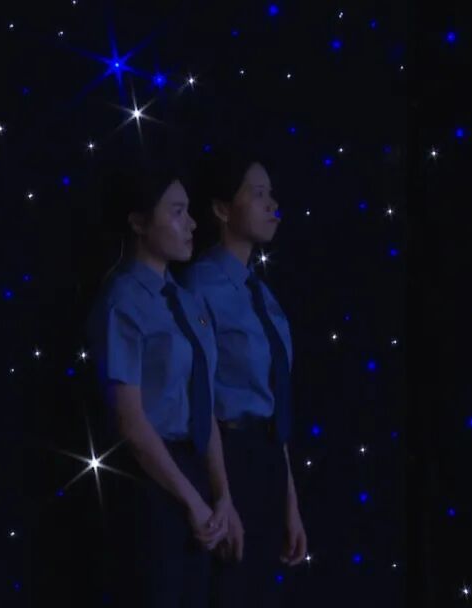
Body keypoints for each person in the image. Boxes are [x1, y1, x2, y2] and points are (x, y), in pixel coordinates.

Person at [86, 162, 235, 607]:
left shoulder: (187, 301)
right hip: (151, 482)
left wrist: (222, 495)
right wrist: (193, 501)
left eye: (189, 211)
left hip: (195, 472)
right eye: (176, 211)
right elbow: (130, 422)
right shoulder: (122, 301)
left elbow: (204, 403)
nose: (192, 224)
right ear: (138, 222)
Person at [180, 150, 308, 607]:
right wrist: (223, 496)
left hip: (268, 459)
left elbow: (275, 403)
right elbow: (200, 398)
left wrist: (290, 504)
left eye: (272, 194)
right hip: (227, 459)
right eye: (257, 194)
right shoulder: (199, 286)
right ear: (221, 209)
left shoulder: (264, 296)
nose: (273, 205)